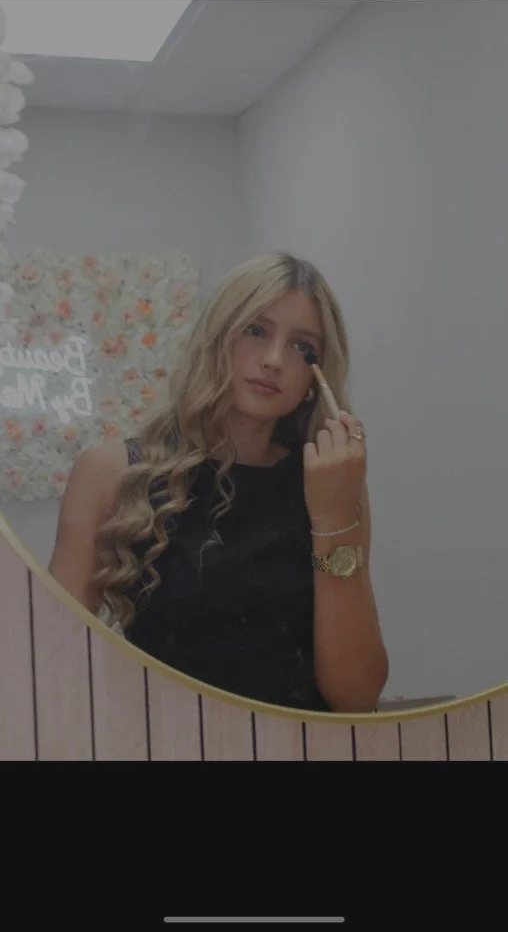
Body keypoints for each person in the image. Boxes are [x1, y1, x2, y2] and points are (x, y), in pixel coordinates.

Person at [48, 252, 388, 712]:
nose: (273, 360)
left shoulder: (331, 483)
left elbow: (357, 696)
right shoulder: (110, 473)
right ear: (216, 336)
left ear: (317, 375)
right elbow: (54, 664)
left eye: (301, 347)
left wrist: (334, 516)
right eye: (256, 330)